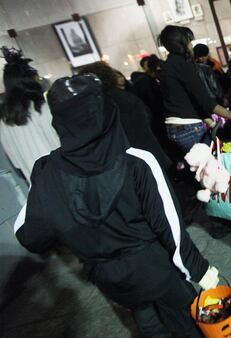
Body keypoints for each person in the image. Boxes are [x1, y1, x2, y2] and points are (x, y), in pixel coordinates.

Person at [13, 74, 220, 336]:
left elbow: (30, 235)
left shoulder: (46, 170)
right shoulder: (137, 162)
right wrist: (200, 271)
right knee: (189, 326)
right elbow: (169, 227)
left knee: (149, 326)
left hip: (109, 278)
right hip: (157, 270)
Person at [158, 25, 231, 153]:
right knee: (211, 170)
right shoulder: (183, 65)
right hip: (189, 128)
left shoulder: (167, 66)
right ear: (182, 42)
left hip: (175, 128)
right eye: (189, 41)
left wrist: (211, 123)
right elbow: (206, 103)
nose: (191, 46)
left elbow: (188, 101)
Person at [79, 61, 172, 171]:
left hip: (131, 164)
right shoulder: (126, 97)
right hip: (151, 154)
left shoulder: (101, 105)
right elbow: (147, 117)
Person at [0, 46, 60, 184]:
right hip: (66, 178)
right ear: (30, 81)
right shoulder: (45, 108)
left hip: (38, 188)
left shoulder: (4, 120)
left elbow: (16, 163)